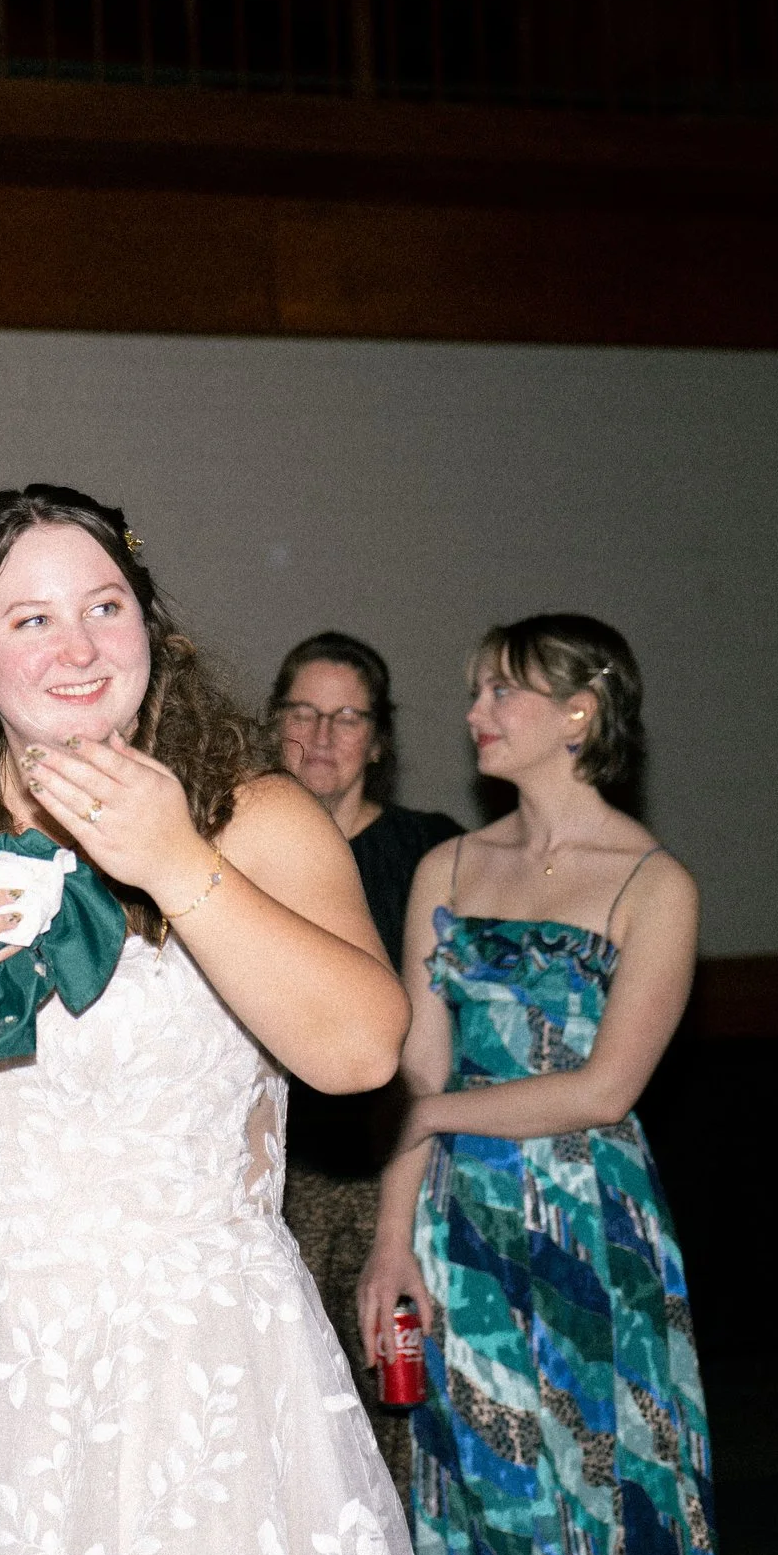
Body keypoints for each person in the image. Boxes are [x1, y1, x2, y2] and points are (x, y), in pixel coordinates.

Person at [0, 484, 420, 1555]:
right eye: (30, 618)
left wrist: (175, 860)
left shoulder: (253, 815)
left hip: (196, 1351)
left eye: (105, 606)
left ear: (150, 623)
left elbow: (361, 1054)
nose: (78, 646)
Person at [358, 614, 716, 1555]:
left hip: (589, 1224)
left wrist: (432, 1115)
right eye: (475, 690)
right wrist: (392, 1238)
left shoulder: (654, 882)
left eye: (499, 690)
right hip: (459, 1223)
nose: (475, 711)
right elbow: (415, 1074)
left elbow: (606, 1089)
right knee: (485, 1485)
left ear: (578, 710)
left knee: (604, 1486)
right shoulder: (450, 864)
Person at [269, 631, 463, 1492]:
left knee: (403, 1427)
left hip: (400, 1174)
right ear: (274, 723)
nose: (320, 735)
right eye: (303, 712)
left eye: (346, 717)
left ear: (379, 739)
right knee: (289, 1435)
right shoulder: (235, 848)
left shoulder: (432, 850)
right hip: (273, 1177)